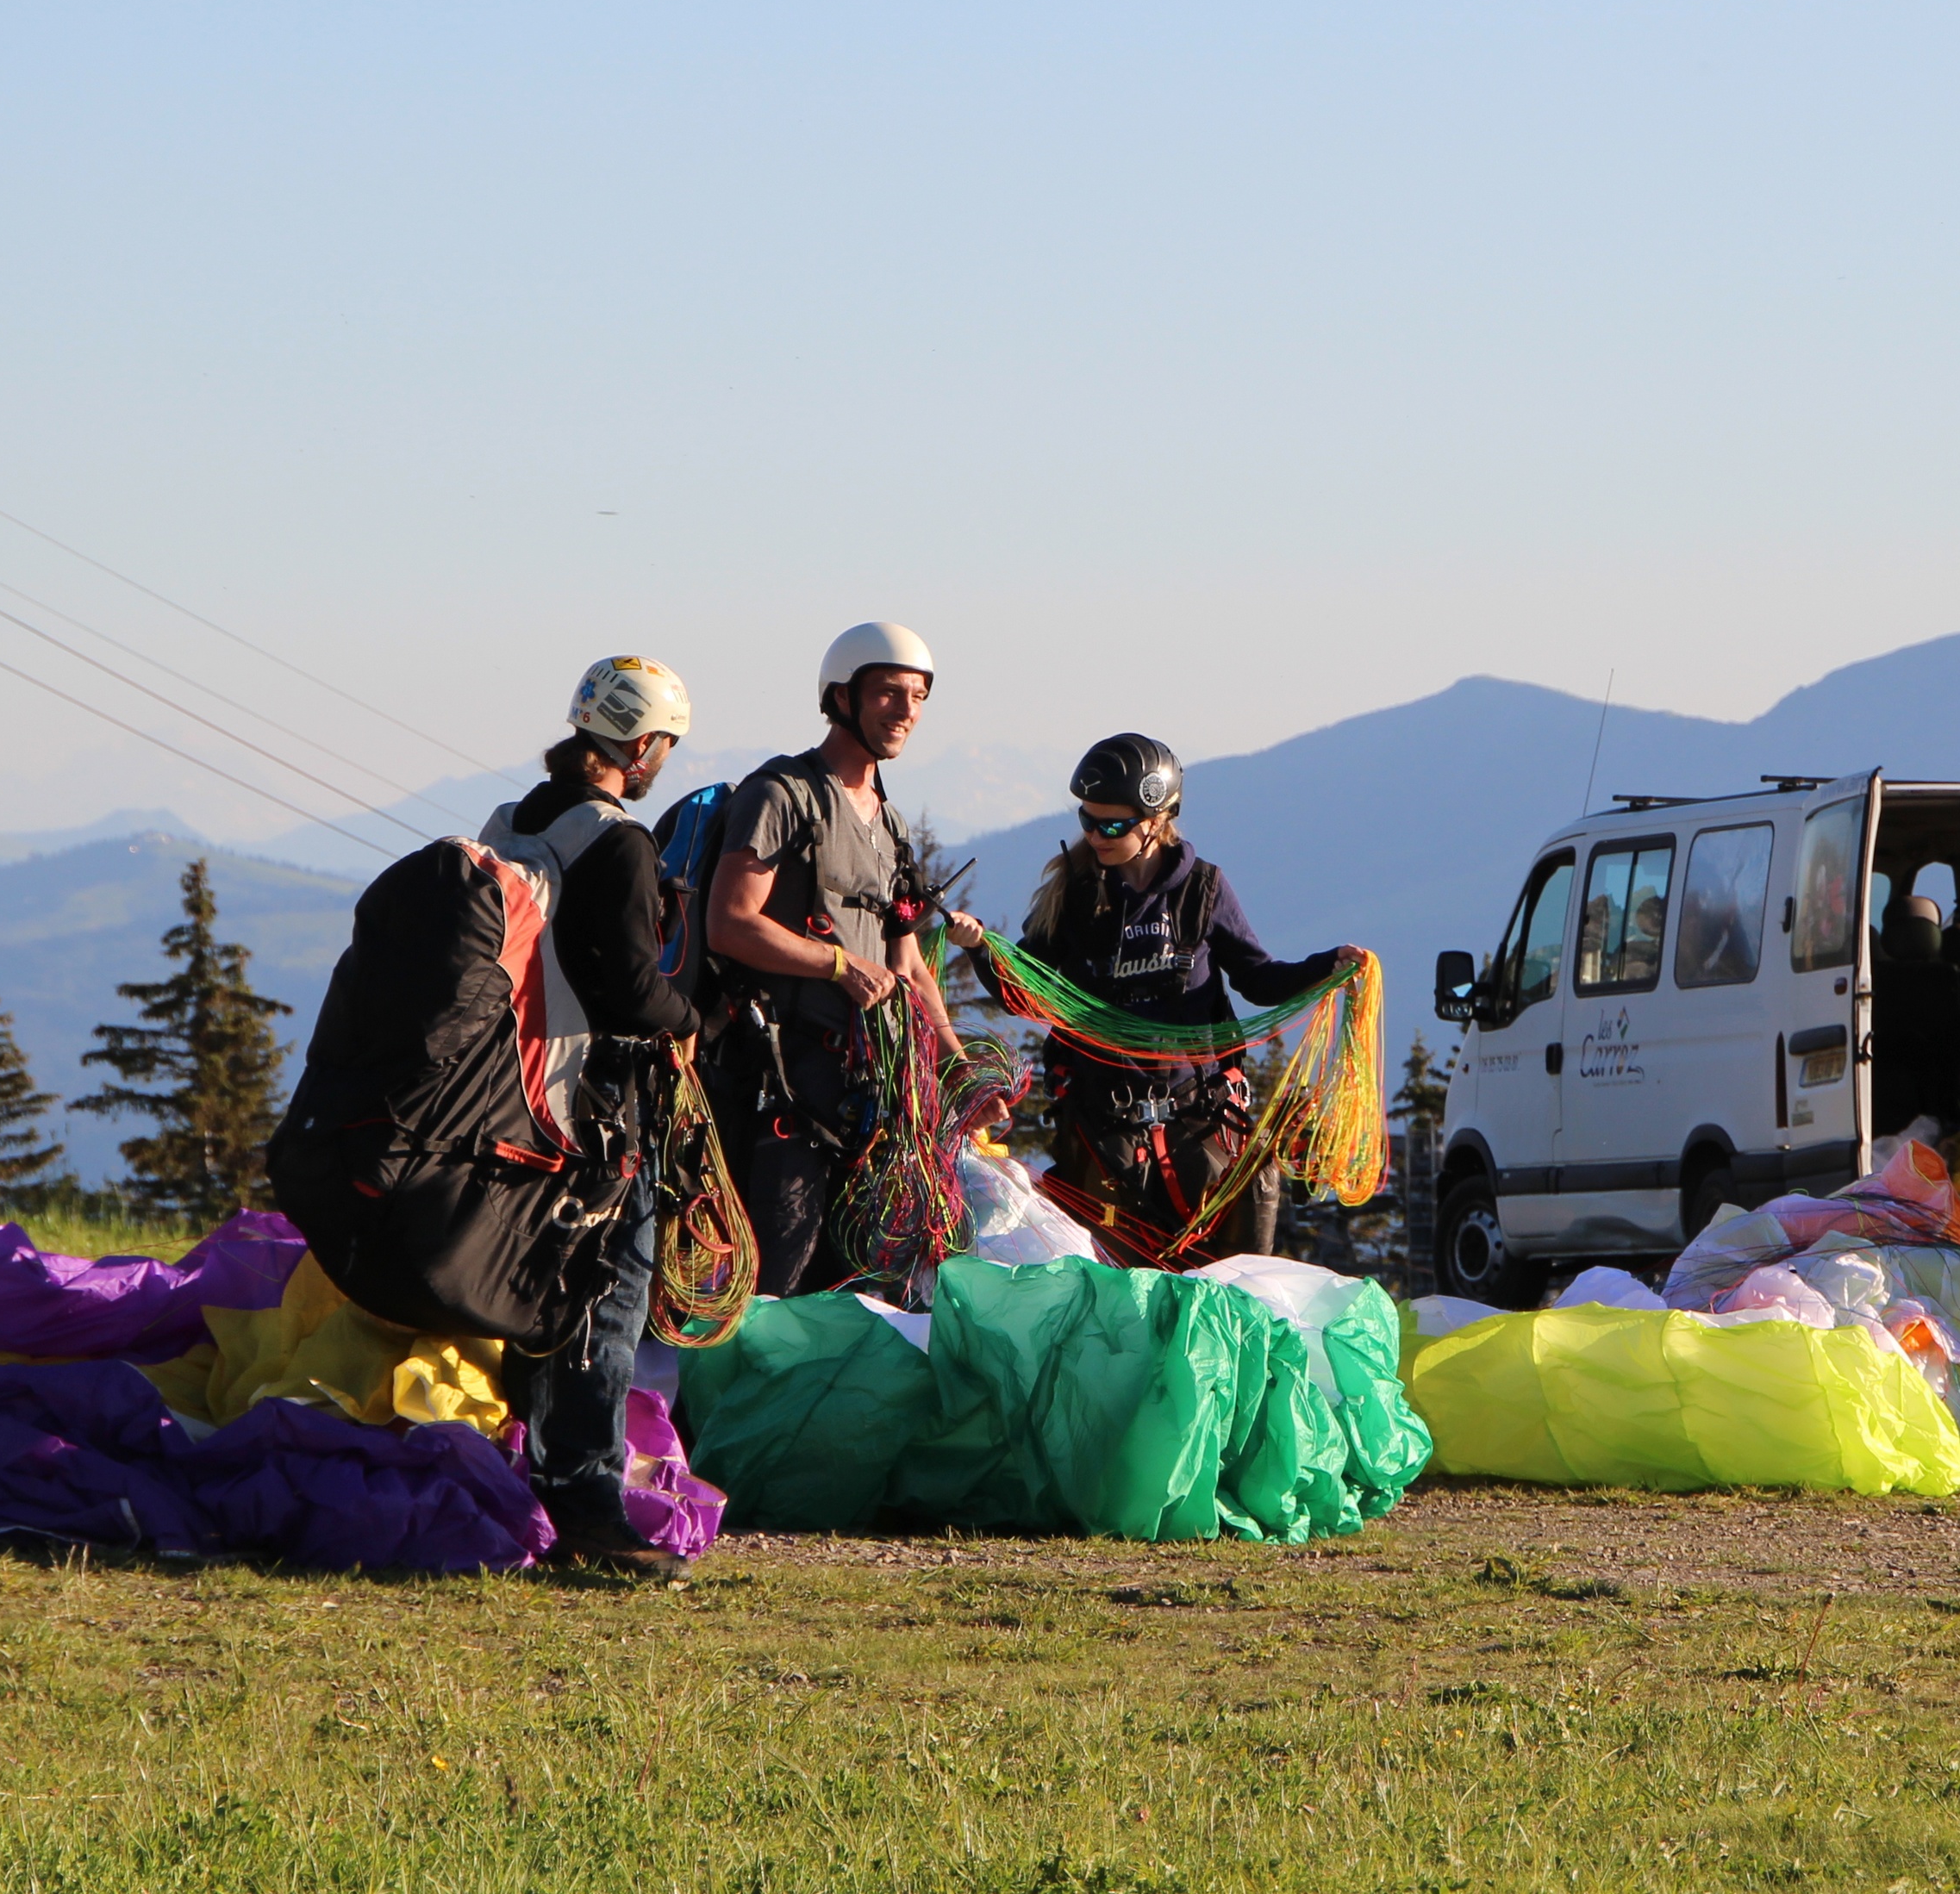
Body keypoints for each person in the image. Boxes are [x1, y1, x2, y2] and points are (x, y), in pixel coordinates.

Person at [946, 733, 1358, 1267]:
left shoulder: (1204, 891)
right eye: (1087, 821)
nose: (1095, 836)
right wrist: (981, 948)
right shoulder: (1073, 895)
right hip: (1101, 1129)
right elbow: (1026, 994)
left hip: (1201, 1118)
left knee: (1233, 1259)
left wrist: (1328, 967)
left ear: (1157, 819)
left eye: (1112, 825)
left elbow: (1259, 979)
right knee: (1118, 1285)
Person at [485, 654, 699, 1581]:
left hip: (510, 1096)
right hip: (595, 1106)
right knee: (607, 1298)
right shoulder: (616, 840)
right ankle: (586, 1502)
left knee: (536, 1294)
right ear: (641, 745)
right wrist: (696, 1017)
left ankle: (529, 1474)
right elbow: (630, 990)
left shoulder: (509, 822)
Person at [702, 621, 964, 1296]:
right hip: (786, 1089)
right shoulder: (782, 795)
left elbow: (906, 960)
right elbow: (729, 922)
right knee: (775, 1284)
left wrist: (954, 1061)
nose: (906, 710)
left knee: (862, 1286)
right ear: (841, 697)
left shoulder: (892, 823)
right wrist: (837, 965)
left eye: (918, 696)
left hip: (871, 1098)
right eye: (888, 693)